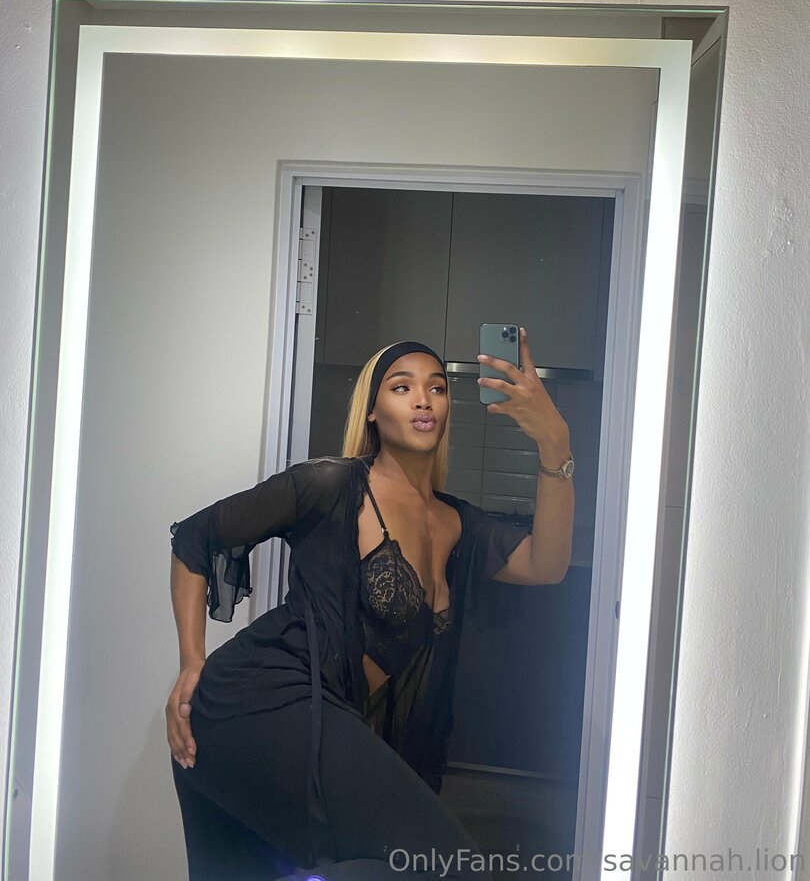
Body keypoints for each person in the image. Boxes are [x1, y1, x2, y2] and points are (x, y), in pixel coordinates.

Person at [167, 329, 574, 880]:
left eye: (437, 388)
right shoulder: (331, 485)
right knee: (447, 866)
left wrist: (555, 443)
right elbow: (195, 538)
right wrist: (191, 664)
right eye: (402, 387)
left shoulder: (460, 524)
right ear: (373, 412)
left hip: (319, 715)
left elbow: (547, 564)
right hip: (254, 700)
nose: (424, 399)